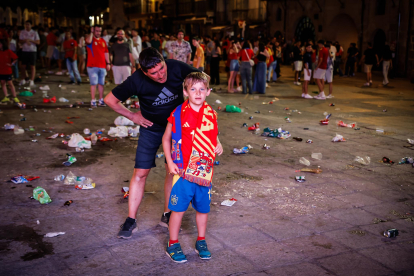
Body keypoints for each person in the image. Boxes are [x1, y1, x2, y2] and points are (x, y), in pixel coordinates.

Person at [104, 48, 216, 239]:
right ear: (144, 71)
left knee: (172, 171)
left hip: (177, 128)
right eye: (154, 73)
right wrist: (132, 115)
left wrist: (196, 103)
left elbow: (202, 79)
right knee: (140, 173)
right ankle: (131, 220)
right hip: (151, 128)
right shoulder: (136, 80)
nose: (160, 74)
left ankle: (167, 215)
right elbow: (110, 99)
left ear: (164, 62)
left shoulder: (176, 67)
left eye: (161, 68)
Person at [162, 72, 222, 263]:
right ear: (185, 91)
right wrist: (170, 162)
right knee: (178, 210)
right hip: (182, 172)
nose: (197, 93)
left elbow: (212, 133)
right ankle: (172, 243)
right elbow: (166, 138)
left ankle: (201, 241)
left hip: (204, 172)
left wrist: (218, 142)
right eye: (193, 89)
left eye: (202, 89)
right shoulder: (178, 113)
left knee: (203, 209)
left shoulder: (211, 113)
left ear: (208, 92)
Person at [85, 25, 111, 107]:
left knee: (101, 84)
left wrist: (108, 63)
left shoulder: (103, 41)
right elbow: (88, 41)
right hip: (92, 66)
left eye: (99, 31)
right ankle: (93, 100)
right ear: (93, 31)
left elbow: (106, 52)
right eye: (96, 31)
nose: (98, 32)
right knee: (93, 84)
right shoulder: (90, 39)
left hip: (102, 66)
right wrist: (91, 32)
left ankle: (100, 100)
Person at [19, 20, 39, 87]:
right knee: (23, 66)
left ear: (31, 25)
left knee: (32, 66)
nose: (27, 26)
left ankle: (32, 80)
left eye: (28, 24)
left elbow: (38, 42)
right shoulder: (22, 32)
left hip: (32, 51)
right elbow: (20, 41)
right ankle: (23, 79)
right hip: (25, 50)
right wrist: (25, 40)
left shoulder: (34, 32)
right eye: (26, 24)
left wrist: (31, 40)